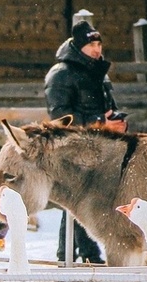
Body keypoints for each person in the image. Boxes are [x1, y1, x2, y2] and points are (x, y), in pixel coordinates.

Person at [44, 19, 127, 265]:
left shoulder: (98, 73)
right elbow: (60, 117)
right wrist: (100, 122)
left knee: (86, 201)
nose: (96, 49)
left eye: (99, 44)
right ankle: (70, 256)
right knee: (76, 200)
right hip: (74, 148)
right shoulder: (61, 74)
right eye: (91, 45)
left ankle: (82, 254)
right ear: (78, 46)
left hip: (99, 147)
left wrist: (117, 122)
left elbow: (108, 107)